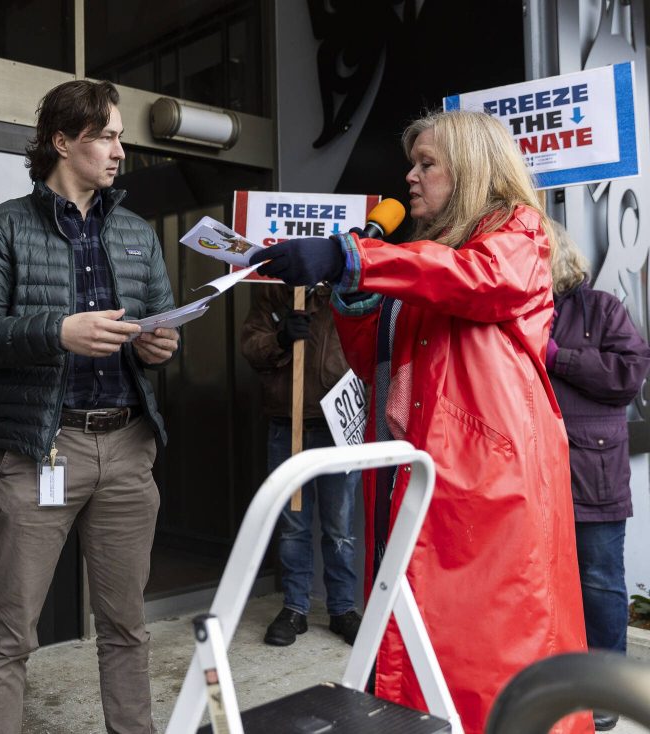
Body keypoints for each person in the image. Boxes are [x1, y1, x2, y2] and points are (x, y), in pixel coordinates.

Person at [249, 109, 591, 734]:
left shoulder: (518, 232)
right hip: (426, 471)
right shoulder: (429, 257)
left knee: (497, 649)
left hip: (492, 484)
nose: (410, 176)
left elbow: (481, 281)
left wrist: (353, 258)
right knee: (431, 644)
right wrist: (354, 300)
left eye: (426, 163)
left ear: (470, 168)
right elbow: (373, 360)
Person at [0, 79, 179, 734]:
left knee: (127, 626)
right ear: (61, 140)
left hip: (129, 447)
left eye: (120, 138)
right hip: (41, 451)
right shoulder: (3, 229)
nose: (118, 151)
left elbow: (159, 326)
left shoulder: (136, 234)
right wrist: (58, 330)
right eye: (106, 136)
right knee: (8, 632)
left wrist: (161, 347)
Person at [547, 223, 650, 732]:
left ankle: (606, 690)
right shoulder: (514, 310)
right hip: (535, 471)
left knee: (600, 583)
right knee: (543, 581)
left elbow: (629, 376)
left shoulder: (602, 308)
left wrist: (558, 357)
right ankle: (560, 683)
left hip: (593, 470)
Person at [240, 284, 362, 646]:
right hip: (287, 425)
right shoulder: (275, 294)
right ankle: (295, 608)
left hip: (337, 425)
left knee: (340, 525)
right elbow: (251, 345)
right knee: (293, 524)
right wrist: (280, 336)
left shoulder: (349, 293)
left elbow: (369, 345)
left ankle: (342, 608)